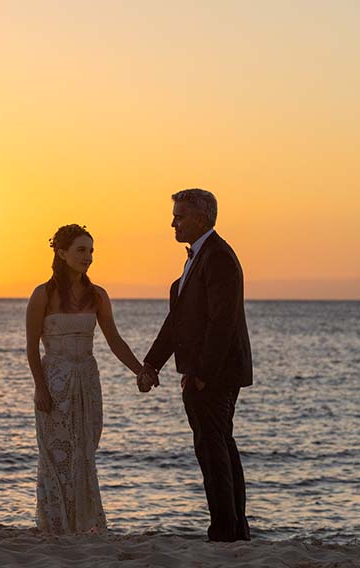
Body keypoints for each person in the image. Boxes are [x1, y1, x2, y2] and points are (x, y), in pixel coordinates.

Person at [138, 189, 253, 542]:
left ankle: (225, 531)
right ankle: (234, 530)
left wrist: (203, 373)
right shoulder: (199, 257)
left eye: (180, 216)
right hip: (207, 373)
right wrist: (152, 363)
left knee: (213, 450)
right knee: (219, 446)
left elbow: (222, 322)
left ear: (201, 218)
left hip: (214, 376)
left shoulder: (218, 257)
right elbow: (177, 322)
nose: (173, 223)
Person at [26, 224, 144, 534]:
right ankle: (55, 525)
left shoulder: (98, 295)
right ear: (62, 253)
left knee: (84, 454)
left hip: (87, 382)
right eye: (81, 250)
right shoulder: (43, 295)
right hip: (55, 383)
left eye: (91, 251)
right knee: (56, 455)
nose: (88, 257)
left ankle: (83, 523)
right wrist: (40, 388)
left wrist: (141, 370)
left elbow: (114, 340)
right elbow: (31, 347)